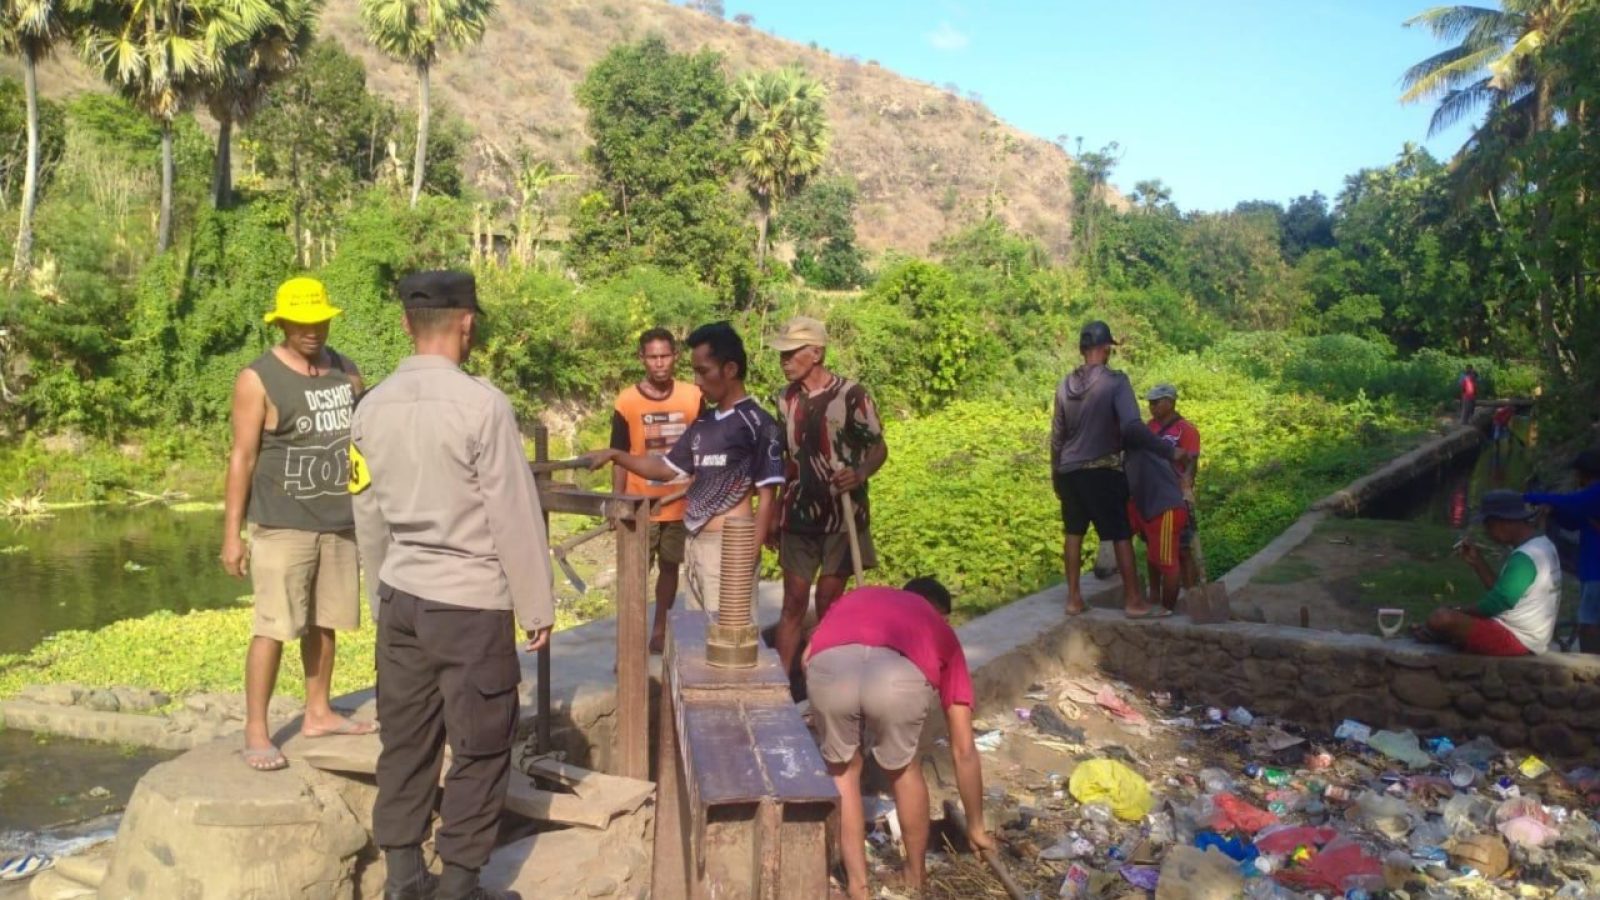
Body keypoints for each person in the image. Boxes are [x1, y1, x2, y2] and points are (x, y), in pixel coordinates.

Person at [350, 271, 553, 900]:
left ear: (409, 325)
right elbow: (512, 513)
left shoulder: (370, 405)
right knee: (481, 746)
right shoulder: (482, 405)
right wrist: (535, 603)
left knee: (405, 742)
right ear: (467, 323)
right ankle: (460, 885)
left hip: (401, 595)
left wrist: (382, 592)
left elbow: (367, 512)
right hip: (469, 601)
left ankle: (404, 880)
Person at [220, 276, 374, 773]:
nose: (312, 330)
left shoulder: (347, 373)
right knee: (274, 626)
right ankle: (256, 729)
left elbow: (365, 444)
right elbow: (242, 458)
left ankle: (319, 711)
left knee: (326, 622)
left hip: (339, 521)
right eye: (302, 322)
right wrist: (232, 535)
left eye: (319, 320)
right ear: (282, 322)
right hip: (282, 524)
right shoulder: (258, 379)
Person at [803, 578, 994, 899]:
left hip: (830, 670)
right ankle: (915, 877)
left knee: (842, 771)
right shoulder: (939, 630)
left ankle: (857, 886)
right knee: (904, 770)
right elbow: (963, 749)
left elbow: (808, 654)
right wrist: (976, 826)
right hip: (897, 681)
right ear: (935, 611)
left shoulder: (860, 596)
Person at [585, 321, 783, 612]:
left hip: (730, 548)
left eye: (703, 371)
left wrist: (748, 556)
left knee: (728, 644)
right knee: (696, 640)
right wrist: (617, 455)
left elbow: (768, 497)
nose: (697, 381)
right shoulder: (703, 424)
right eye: (694, 372)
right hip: (695, 544)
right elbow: (664, 468)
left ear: (729, 370)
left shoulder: (759, 424)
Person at [767, 315, 888, 676]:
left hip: (840, 515)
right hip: (798, 515)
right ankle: (781, 686)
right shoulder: (785, 399)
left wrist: (861, 473)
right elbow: (784, 460)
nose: (784, 361)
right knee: (792, 603)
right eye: (782, 354)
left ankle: (824, 681)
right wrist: (772, 510)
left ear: (816, 353)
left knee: (827, 604)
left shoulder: (851, 394)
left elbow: (878, 447)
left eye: (791, 353)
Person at [1050, 321, 1190, 619]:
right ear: (1105, 349)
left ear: (1082, 349)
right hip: (1102, 469)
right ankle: (1133, 601)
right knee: (1120, 533)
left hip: (1068, 470)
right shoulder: (1115, 382)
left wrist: (1056, 476)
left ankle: (1074, 599)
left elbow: (1057, 437)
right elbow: (1131, 426)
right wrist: (1168, 450)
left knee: (1073, 533)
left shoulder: (1064, 385)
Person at [609, 328, 703, 653]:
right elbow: (619, 455)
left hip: (679, 502)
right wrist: (617, 500)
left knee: (669, 567)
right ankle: (629, 642)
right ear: (642, 359)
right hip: (640, 502)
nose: (660, 363)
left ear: (675, 356)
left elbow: (704, 448)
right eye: (653, 357)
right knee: (634, 573)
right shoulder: (627, 401)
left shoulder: (693, 396)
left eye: (665, 356)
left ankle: (660, 629)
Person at [1416, 490, 1560, 656]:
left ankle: (1439, 632)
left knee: (1442, 618)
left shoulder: (1526, 557)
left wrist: (1458, 611)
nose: (1487, 533)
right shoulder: (1542, 545)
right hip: (1529, 637)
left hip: (1516, 640)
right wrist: (1477, 562)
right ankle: (1443, 633)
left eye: (1488, 526)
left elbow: (1495, 604)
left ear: (1503, 523)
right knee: (1446, 620)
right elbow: (1502, 592)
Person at [1525, 449, 1600, 654]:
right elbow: (1573, 522)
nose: (1575, 479)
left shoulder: (1595, 493)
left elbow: (1571, 502)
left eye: (1577, 474)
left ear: (1585, 474)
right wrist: (1553, 512)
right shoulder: (1591, 502)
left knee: (1588, 623)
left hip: (1596, 573)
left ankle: (1592, 666)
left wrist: (1528, 497)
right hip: (1590, 570)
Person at [1126, 395, 1189, 613]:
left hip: (1165, 509)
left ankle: (1167, 609)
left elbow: (1188, 459)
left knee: (1167, 561)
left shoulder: (1141, 443)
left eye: (1156, 402)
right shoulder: (1141, 447)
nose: (1152, 406)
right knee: (1156, 556)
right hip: (1153, 508)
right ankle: (1156, 598)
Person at [1145, 383, 1203, 589]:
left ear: (1170, 402)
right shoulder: (1147, 428)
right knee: (1152, 545)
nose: (1152, 407)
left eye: (1156, 403)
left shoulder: (1186, 430)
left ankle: (1190, 591)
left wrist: (1187, 483)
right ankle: (1155, 592)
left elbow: (1192, 461)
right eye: (1150, 403)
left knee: (1183, 547)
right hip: (1151, 495)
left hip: (1175, 493)